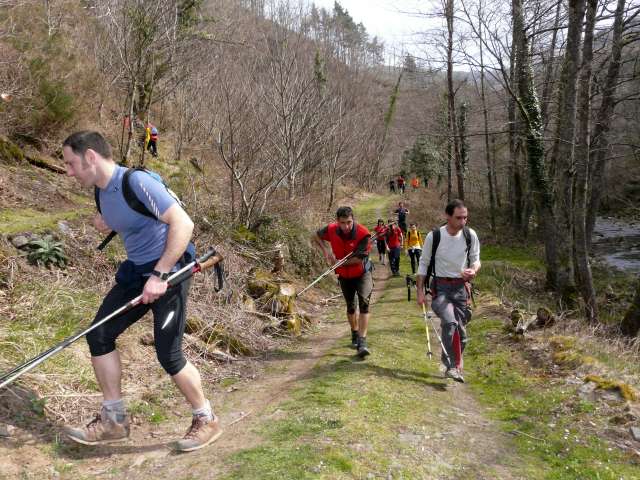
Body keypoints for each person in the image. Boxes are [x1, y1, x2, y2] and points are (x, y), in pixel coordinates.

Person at [61, 131, 221, 452]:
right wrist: (107, 222)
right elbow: (130, 217)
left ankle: (206, 418)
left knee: (168, 354)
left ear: (91, 157)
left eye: (71, 163)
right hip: (137, 273)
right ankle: (114, 421)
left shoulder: (137, 182)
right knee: (99, 334)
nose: (68, 171)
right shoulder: (101, 191)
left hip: (170, 272)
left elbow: (183, 224)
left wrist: (160, 275)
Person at [416, 199, 481, 383]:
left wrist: (473, 270)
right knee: (450, 322)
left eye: (465, 218)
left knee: (461, 331)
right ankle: (451, 366)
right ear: (447, 216)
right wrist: (420, 291)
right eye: (458, 218)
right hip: (440, 288)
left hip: (461, 288)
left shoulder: (470, 235)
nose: (463, 221)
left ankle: (455, 364)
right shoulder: (434, 236)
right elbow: (423, 264)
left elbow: (476, 259)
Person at [313, 206, 373, 358]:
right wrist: (326, 252)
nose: (346, 226)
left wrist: (339, 262)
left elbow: (359, 258)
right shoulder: (331, 229)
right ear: (337, 221)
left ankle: (362, 342)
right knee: (351, 306)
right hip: (343, 275)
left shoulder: (363, 234)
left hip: (362, 273)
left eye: (349, 222)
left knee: (364, 303)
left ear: (353, 220)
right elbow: (316, 235)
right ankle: (354, 332)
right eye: (343, 223)